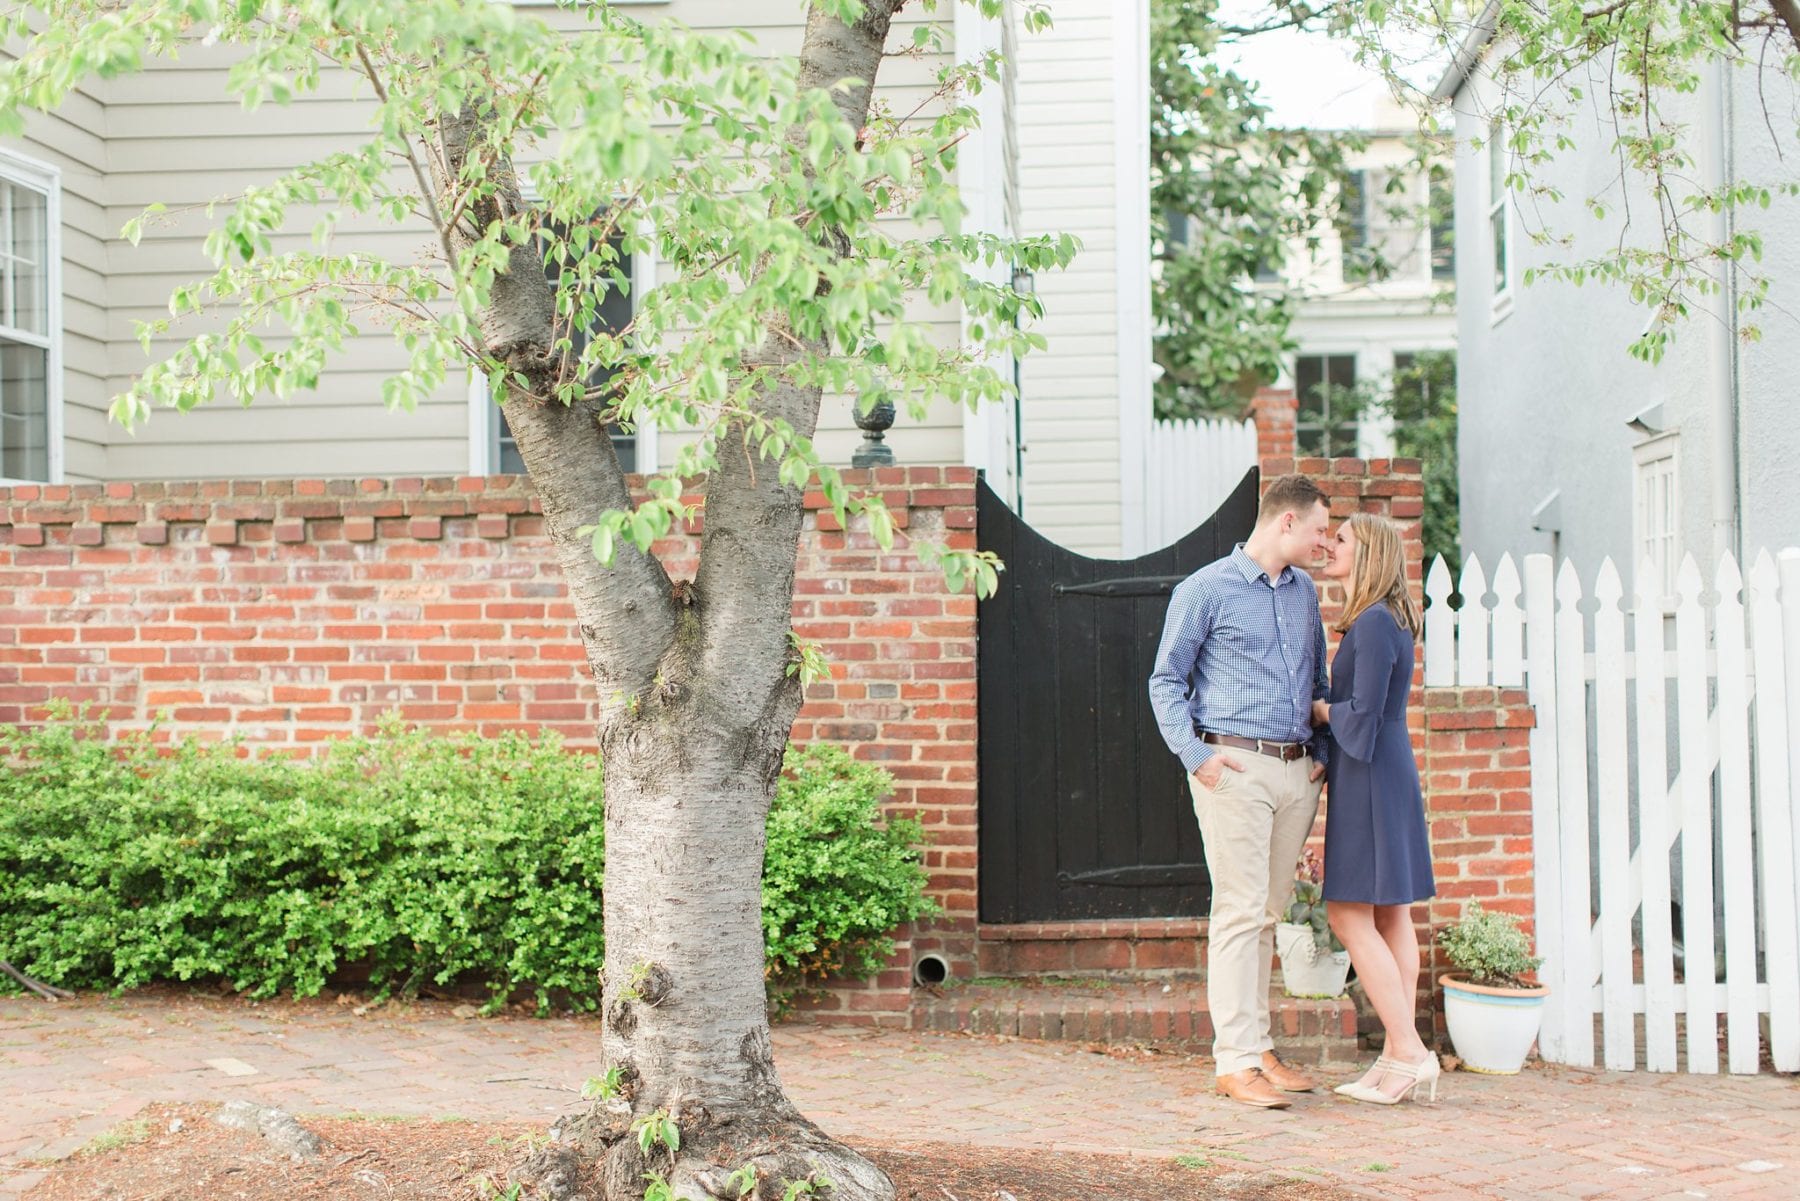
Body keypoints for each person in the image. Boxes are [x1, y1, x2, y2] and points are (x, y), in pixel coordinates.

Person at [1148, 474, 1332, 1110]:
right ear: (1287, 522)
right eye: (1318, 530)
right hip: (1236, 770)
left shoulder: (1304, 592)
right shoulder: (1205, 589)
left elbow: (1320, 682)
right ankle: (1234, 1061)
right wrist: (1198, 759)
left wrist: (1323, 758)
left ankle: (1257, 1048)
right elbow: (1165, 682)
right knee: (1238, 912)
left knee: (1267, 916)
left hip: (1296, 773)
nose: (1324, 543)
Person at [1311, 512, 1439, 1105]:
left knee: (1347, 912)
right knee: (1391, 915)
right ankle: (1394, 1056)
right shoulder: (1391, 620)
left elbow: (1357, 716)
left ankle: (1409, 1051)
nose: (1329, 546)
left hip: (1369, 775)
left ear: (1369, 555)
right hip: (1385, 769)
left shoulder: (1370, 624)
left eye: (1341, 540)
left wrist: (1319, 712)